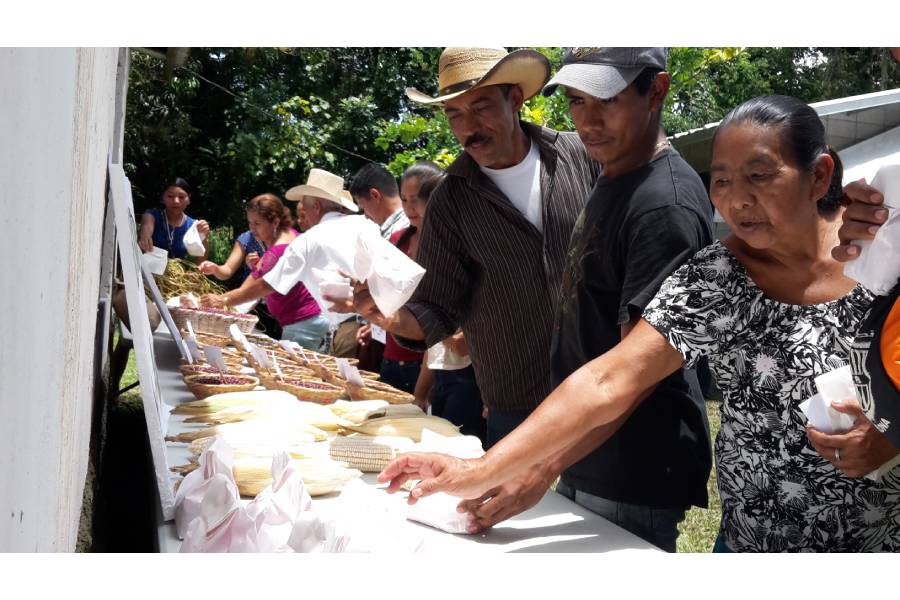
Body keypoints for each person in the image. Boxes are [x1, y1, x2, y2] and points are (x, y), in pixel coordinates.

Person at [380, 95, 900, 552]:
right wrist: (483, 469)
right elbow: (610, 377)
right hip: (751, 546)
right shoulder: (718, 278)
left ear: (821, 175)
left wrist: (893, 437)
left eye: (760, 175)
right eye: (720, 179)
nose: (737, 199)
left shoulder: (884, 250)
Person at [343, 48, 600, 448]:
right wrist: (390, 316)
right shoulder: (450, 201)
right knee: (525, 513)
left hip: (599, 389)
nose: (468, 128)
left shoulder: (580, 157)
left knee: (598, 512)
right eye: (454, 115)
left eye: (480, 107)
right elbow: (437, 306)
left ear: (515, 98)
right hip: (517, 404)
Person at [200, 168, 374, 359]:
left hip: (342, 328)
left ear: (316, 206)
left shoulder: (308, 239)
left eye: (305, 208)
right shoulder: (366, 226)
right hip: (374, 327)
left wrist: (223, 300)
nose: (304, 215)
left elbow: (267, 284)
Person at [397, 162, 486, 443]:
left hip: (471, 376)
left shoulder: (469, 245)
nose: (412, 209)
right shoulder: (410, 242)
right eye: (406, 201)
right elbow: (433, 340)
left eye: (419, 202)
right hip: (443, 373)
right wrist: (421, 393)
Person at [201, 194, 328, 351]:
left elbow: (257, 288)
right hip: (307, 320)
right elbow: (253, 280)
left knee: (295, 373)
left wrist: (222, 300)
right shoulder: (289, 234)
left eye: (257, 223)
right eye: (250, 223)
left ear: (275, 222)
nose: (252, 229)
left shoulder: (277, 251)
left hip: (303, 322)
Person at [347, 163, 411, 372]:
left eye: (363, 207)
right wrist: (374, 326)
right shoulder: (391, 230)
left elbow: (402, 293)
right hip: (393, 336)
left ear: (375, 195)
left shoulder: (402, 231)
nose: (365, 215)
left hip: (407, 346)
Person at [138, 177, 209, 260]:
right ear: (163, 198)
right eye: (170, 196)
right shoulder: (152, 215)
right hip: (148, 271)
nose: (176, 201)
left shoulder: (193, 226)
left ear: (189, 200)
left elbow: (201, 262)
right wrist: (145, 236)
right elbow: (147, 225)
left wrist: (204, 237)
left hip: (176, 272)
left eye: (181, 197)